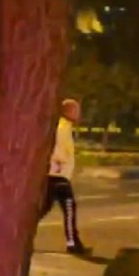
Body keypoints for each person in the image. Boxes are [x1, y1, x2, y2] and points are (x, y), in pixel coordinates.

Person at [41, 98, 88, 254]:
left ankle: (20, 234)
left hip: (56, 174)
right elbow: (59, 150)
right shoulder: (62, 128)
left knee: (44, 208)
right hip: (58, 175)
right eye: (76, 110)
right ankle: (73, 243)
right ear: (68, 111)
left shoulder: (64, 126)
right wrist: (61, 164)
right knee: (69, 207)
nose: (79, 114)